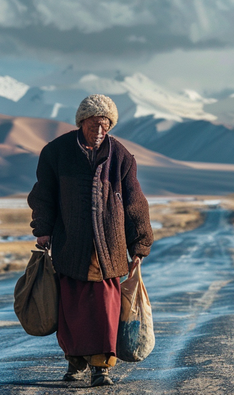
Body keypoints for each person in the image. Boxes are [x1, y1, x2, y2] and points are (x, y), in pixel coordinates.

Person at [28, 94, 153, 387]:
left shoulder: (120, 156)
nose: (99, 132)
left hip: (107, 248)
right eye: (94, 124)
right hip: (70, 245)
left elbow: (135, 202)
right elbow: (43, 194)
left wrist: (140, 243)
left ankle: (101, 367)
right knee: (71, 309)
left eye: (105, 125)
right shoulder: (56, 153)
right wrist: (42, 229)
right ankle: (75, 362)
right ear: (81, 122)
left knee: (105, 310)